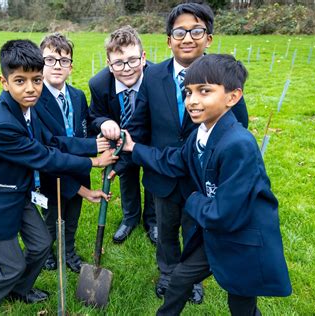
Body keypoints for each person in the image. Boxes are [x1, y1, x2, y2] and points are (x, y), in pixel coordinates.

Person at [0, 39, 117, 316]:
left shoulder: (27, 109)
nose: (30, 88)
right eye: (20, 81)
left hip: (14, 189)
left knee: (41, 245)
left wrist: (92, 144)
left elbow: (51, 140)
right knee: (11, 265)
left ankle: (20, 289)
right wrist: (93, 161)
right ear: (4, 82)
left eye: (36, 80)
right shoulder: (1, 124)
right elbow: (44, 157)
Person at [122, 54, 292, 315]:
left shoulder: (239, 145)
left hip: (241, 238)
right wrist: (134, 148)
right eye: (188, 92)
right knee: (179, 279)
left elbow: (222, 213)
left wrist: (190, 197)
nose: (193, 100)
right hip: (214, 231)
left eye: (205, 91)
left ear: (233, 97)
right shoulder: (200, 133)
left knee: (241, 303)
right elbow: (175, 160)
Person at [119, 2, 249, 301]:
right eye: (179, 31)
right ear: (168, 40)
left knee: (194, 230)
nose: (187, 38)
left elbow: (237, 124)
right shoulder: (152, 76)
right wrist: (124, 155)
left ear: (209, 38)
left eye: (196, 31)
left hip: (199, 179)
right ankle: (167, 272)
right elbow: (139, 122)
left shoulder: (222, 77)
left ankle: (192, 279)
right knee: (165, 229)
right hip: (161, 173)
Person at [34, 33, 104, 273]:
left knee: (72, 215)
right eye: (50, 60)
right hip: (51, 173)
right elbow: (49, 145)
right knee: (53, 217)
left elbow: (83, 132)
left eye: (64, 61)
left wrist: (102, 141)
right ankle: (47, 253)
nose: (57, 66)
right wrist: (93, 151)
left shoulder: (77, 96)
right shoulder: (34, 99)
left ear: (71, 67)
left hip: (78, 168)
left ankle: (69, 252)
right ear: (40, 64)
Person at [88, 25, 157, 245]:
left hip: (152, 137)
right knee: (127, 176)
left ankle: (153, 220)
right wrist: (105, 122)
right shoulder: (98, 84)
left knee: (153, 176)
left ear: (143, 57)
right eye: (118, 63)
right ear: (109, 64)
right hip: (120, 142)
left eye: (133, 60)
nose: (126, 68)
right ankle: (130, 218)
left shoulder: (157, 79)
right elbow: (94, 115)